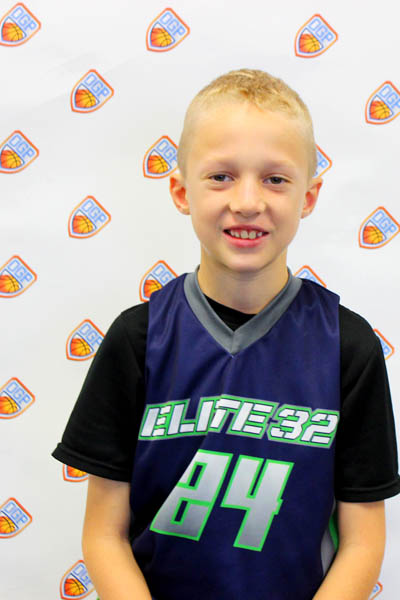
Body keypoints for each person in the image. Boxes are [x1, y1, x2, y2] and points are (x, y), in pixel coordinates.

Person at [52, 69, 400, 600]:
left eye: (275, 179)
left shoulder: (347, 347)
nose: (247, 201)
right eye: (221, 176)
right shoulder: (137, 340)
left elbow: (363, 540)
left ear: (309, 196)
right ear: (180, 190)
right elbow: (104, 535)